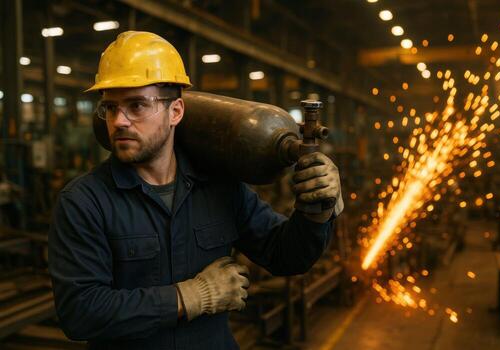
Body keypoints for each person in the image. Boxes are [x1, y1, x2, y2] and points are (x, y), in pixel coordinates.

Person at [48, 31, 343, 350]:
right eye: (110, 107)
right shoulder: (84, 202)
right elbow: (80, 312)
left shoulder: (219, 187)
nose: (119, 121)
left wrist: (318, 209)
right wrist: (189, 297)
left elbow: (286, 256)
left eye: (136, 105)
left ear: (175, 111)